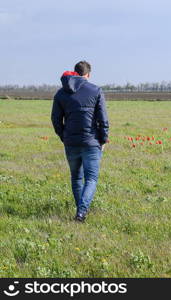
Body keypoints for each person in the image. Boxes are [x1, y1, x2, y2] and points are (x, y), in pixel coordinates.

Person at [51, 61, 109, 222]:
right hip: (91, 142)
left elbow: (56, 119)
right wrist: (103, 139)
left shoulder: (61, 93)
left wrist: (64, 136)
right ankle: (81, 212)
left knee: (76, 177)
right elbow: (103, 119)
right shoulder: (95, 90)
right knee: (91, 178)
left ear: (75, 73)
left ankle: (80, 211)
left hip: (71, 142)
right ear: (88, 75)